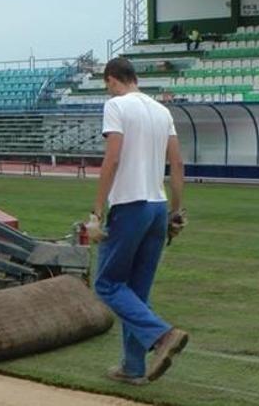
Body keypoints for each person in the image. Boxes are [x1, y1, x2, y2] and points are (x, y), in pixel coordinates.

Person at [88, 57, 188, 385]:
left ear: (113, 80)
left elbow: (112, 157)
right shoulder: (162, 111)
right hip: (157, 207)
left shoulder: (116, 106)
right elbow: (176, 163)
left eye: (108, 86)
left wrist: (96, 212)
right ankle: (133, 367)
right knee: (136, 292)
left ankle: (162, 336)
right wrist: (176, 212)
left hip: (130, 205)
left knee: (106, 284)